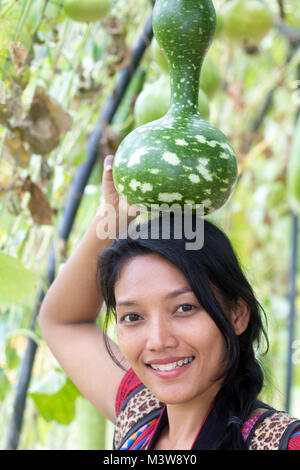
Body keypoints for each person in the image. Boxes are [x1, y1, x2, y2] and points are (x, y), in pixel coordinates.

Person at [38, 155, 300, 451]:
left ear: (238, 313)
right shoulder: (139, 416)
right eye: (133, 317)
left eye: (184, 308)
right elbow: (62, 321)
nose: (158, 341)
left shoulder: (282, 443)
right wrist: (115, 215)